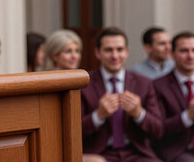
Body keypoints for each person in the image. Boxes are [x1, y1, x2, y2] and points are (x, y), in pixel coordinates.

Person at [81, 27, 163, 162]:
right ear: (97, 52)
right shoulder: (84, 84)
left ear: (127, 52)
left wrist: (139, 113)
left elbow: (158, 131)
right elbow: (73, 132)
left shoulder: (144, 83)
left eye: (119, 50)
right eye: (108, 50)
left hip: (136, 153)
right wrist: (98, 116)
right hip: (100, 154)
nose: (114, 56)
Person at [153, 31, 194, 162]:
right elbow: (159, 129)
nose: (190, 56)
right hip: (177, 150)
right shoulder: (158, 86)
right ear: (172, 53)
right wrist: (188, 116)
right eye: (184, 51)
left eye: (193, 50)